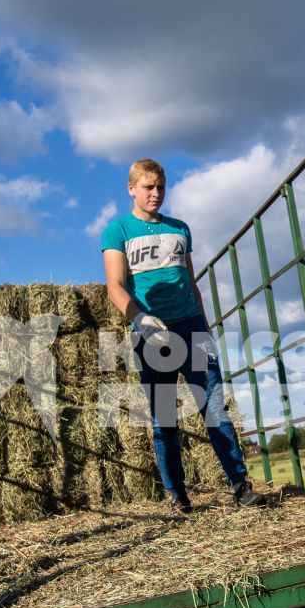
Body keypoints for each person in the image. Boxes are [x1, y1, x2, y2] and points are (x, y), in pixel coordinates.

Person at [100, 158, 272, 514]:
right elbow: (115, 286)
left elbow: (191, 281)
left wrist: (205, 327)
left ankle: (240, 487)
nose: (155, 194)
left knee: (214, 405)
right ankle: (178, 496)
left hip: (190, 325)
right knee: (165, 417)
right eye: (148, 187)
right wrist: (140, 317)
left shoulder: (180, 229)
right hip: (152, 332)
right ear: (131, 189)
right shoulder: (117, 231)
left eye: (160, 187)